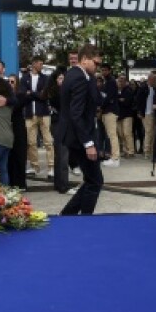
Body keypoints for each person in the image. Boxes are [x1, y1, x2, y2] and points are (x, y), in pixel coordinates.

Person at [60, 45, 103, 215]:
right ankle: (84, 219)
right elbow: (76, 114)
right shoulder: (78, 78)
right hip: (79, 138)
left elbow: (95, 100)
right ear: (84, 59)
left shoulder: (81, 76)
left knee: (91, 180)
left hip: (77, 135)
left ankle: (68, 215)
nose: (97, 67)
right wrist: (88, 143)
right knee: (95, 181)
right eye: (96, 63)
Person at [18, 58, 52, 178]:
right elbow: (21, 94)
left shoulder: (45, 78)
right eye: (40, 63)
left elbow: (44, 95)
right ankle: (34, 166)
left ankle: (51, 167)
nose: (41, 65)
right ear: (33, 64)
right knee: (31, 142)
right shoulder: (24, 78)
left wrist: (31, 93)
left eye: (42, 63)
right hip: (29, 114)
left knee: (48, 141)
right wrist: (37, 93)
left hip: (44, 113)